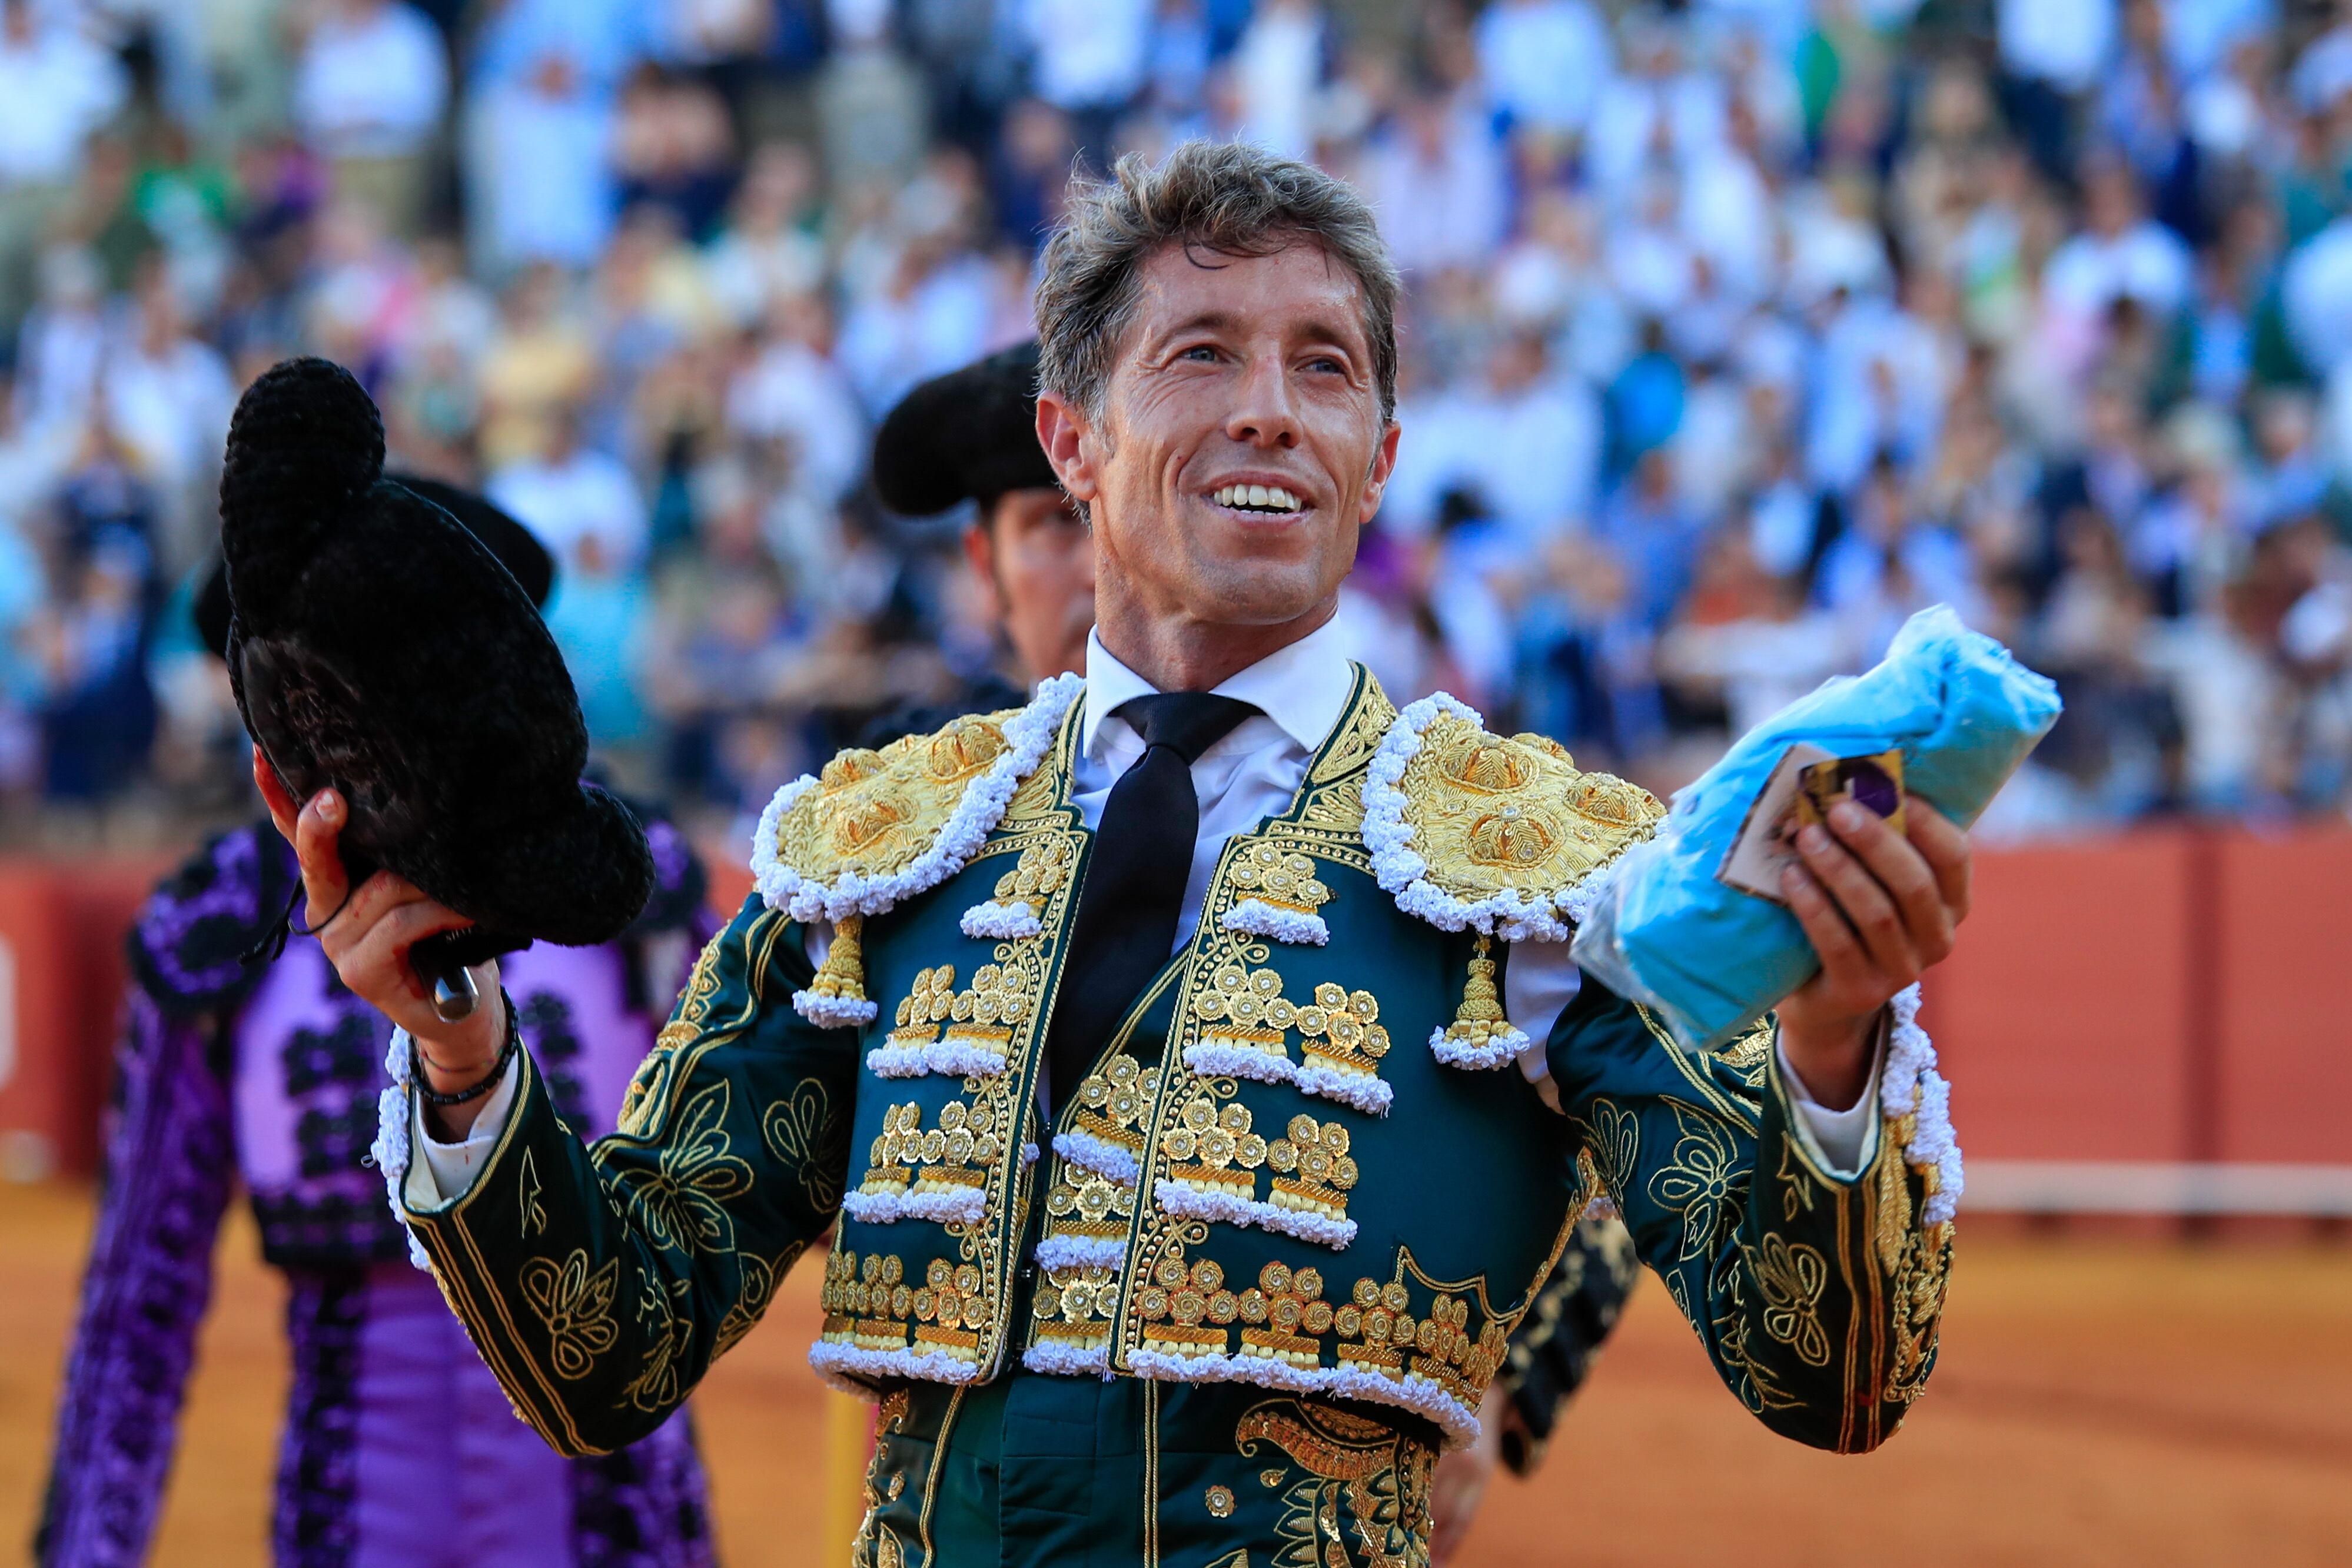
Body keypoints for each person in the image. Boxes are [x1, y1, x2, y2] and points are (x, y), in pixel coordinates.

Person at [293, 142, 1974, 1564]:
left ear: (1378, 460)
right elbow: (613, 1343)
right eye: (1200, 356)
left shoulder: (1539, 870)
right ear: (1069, 440)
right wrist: (462, 1063)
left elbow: (1823, 1377)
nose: (1269, 413)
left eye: (1325, 367)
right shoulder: (882, 846)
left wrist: (1830, 1045)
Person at [36, 480, 719, 1568]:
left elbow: (768, 1178)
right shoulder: (221, 928)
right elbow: (138, 1306)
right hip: (355, 1515)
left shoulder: (635, 888)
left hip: (605, 1510)